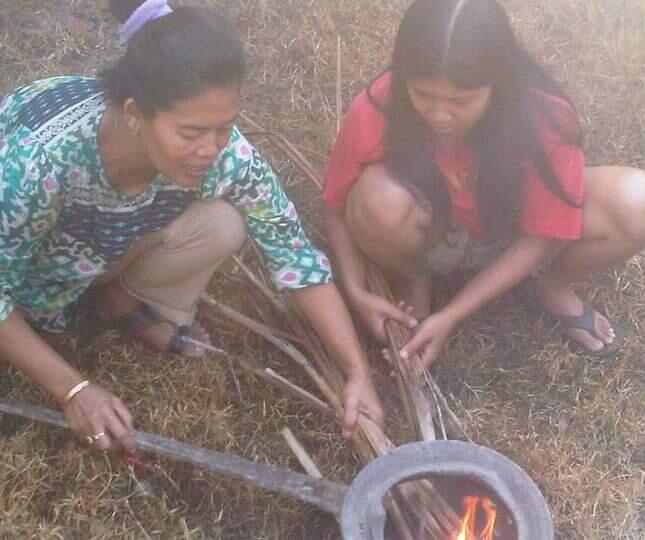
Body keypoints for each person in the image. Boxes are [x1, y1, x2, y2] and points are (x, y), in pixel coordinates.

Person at [0, 0, 383, 452]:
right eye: (191, 133)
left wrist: (358, 372)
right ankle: (48, 319)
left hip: (96, 247)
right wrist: (73, 388)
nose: (210, 149)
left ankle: (115, 300)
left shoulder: (225, 156)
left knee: (223, 223)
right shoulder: (37, 162)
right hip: (24, 264)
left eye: (224, 128)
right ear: (134, 114)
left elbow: (293, 254)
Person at [322, 0, 645, 368]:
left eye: (461, 100)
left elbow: (541, 236)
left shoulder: (545, 117)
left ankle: (549, 283)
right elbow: (335, 205)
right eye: (422, 94)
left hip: (515, 233)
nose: (439, 115)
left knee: (638, 203)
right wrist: (355, 290)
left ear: (498, 84)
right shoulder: (381, 103)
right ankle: (414, 281)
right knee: (376, 198)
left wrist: (453, 313)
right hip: (433, 230)